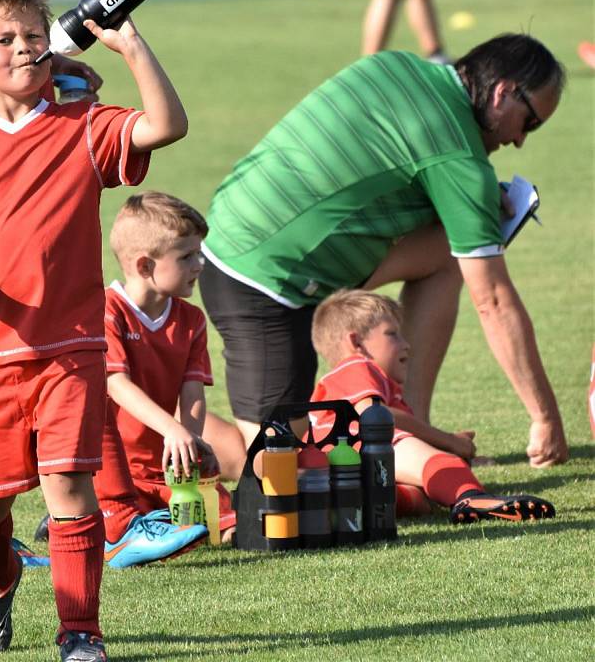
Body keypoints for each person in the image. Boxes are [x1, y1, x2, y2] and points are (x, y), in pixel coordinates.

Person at [0, 0, 188, 661]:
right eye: (4, 40)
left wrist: (133, 48)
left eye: (32, 35)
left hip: (73, 349)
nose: (23, 48)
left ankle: (80, 635)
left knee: (69, 487)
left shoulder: (84, 125)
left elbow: (167, 126)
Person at [0, 0, 206, 571]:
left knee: (56, 399)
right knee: (56, 385)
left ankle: (2, 530)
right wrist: (54, 67)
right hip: (17, 239)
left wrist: (57, 63)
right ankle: (94, 522)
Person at [199, 33, 569, 472]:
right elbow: (493, 302)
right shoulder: (458, 158)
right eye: (530, 123)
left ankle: (409, 431)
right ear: (503, 92)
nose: (522, 140)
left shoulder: (397, 65)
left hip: (233, 235)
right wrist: (545, 418)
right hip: (262, 281)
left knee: (452, 254)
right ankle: (156, 420)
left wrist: (471, 203)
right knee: (280, 473)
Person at [308, 290, 555, 523]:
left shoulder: (380, 384)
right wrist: (448, 442)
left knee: (419, 498)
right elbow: (372, 416)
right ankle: (472, 498)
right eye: (392, 334)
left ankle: (357, 502)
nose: (406, 344)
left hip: (338, 466)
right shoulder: (356, 366)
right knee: (440, 462)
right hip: (350, 446)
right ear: (356, 342)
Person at [104, 192, 243, 532]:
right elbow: (116, 383)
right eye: (186, 256)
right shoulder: (107, 310)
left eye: (200, 253)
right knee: (130, 530)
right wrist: (172, 429)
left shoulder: (191, 320)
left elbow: (192, 391)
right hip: (116, 472)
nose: (199, 265)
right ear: (145, 266)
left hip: (167, 468)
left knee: (229, 528)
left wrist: (190, 443)